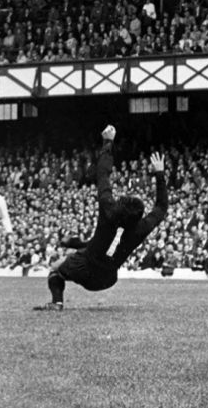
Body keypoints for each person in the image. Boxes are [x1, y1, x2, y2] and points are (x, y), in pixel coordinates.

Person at [35, 125, 168, 311]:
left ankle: (57, 302)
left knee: (55, 269)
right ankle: (76, 251)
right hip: (107, 279)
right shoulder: (141, 228)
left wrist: (108, 142)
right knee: (92, 250)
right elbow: (161, 207)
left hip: (84, 267)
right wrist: (160, 174)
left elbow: (103, 173)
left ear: (119, 207)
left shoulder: (108, 211)